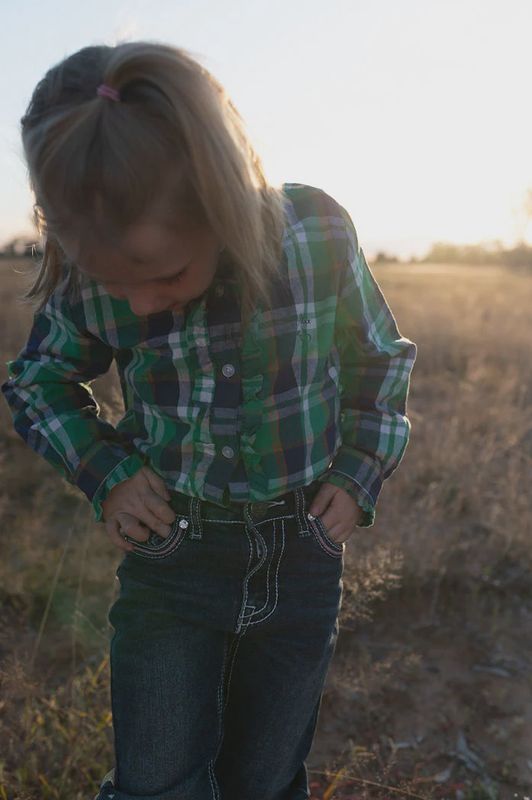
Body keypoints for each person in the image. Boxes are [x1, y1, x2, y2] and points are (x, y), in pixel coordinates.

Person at [1, 40, 417, 800]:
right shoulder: (103, 275)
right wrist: (110, 473)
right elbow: (36, 382)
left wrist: (358, 480)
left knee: (263, 778)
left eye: (163, 277)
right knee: (158, 783)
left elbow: (380, 362)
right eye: (111, 283)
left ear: (222, 201)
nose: (139, 305)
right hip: (175, 561)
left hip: (302, 557)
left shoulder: (316, 232)